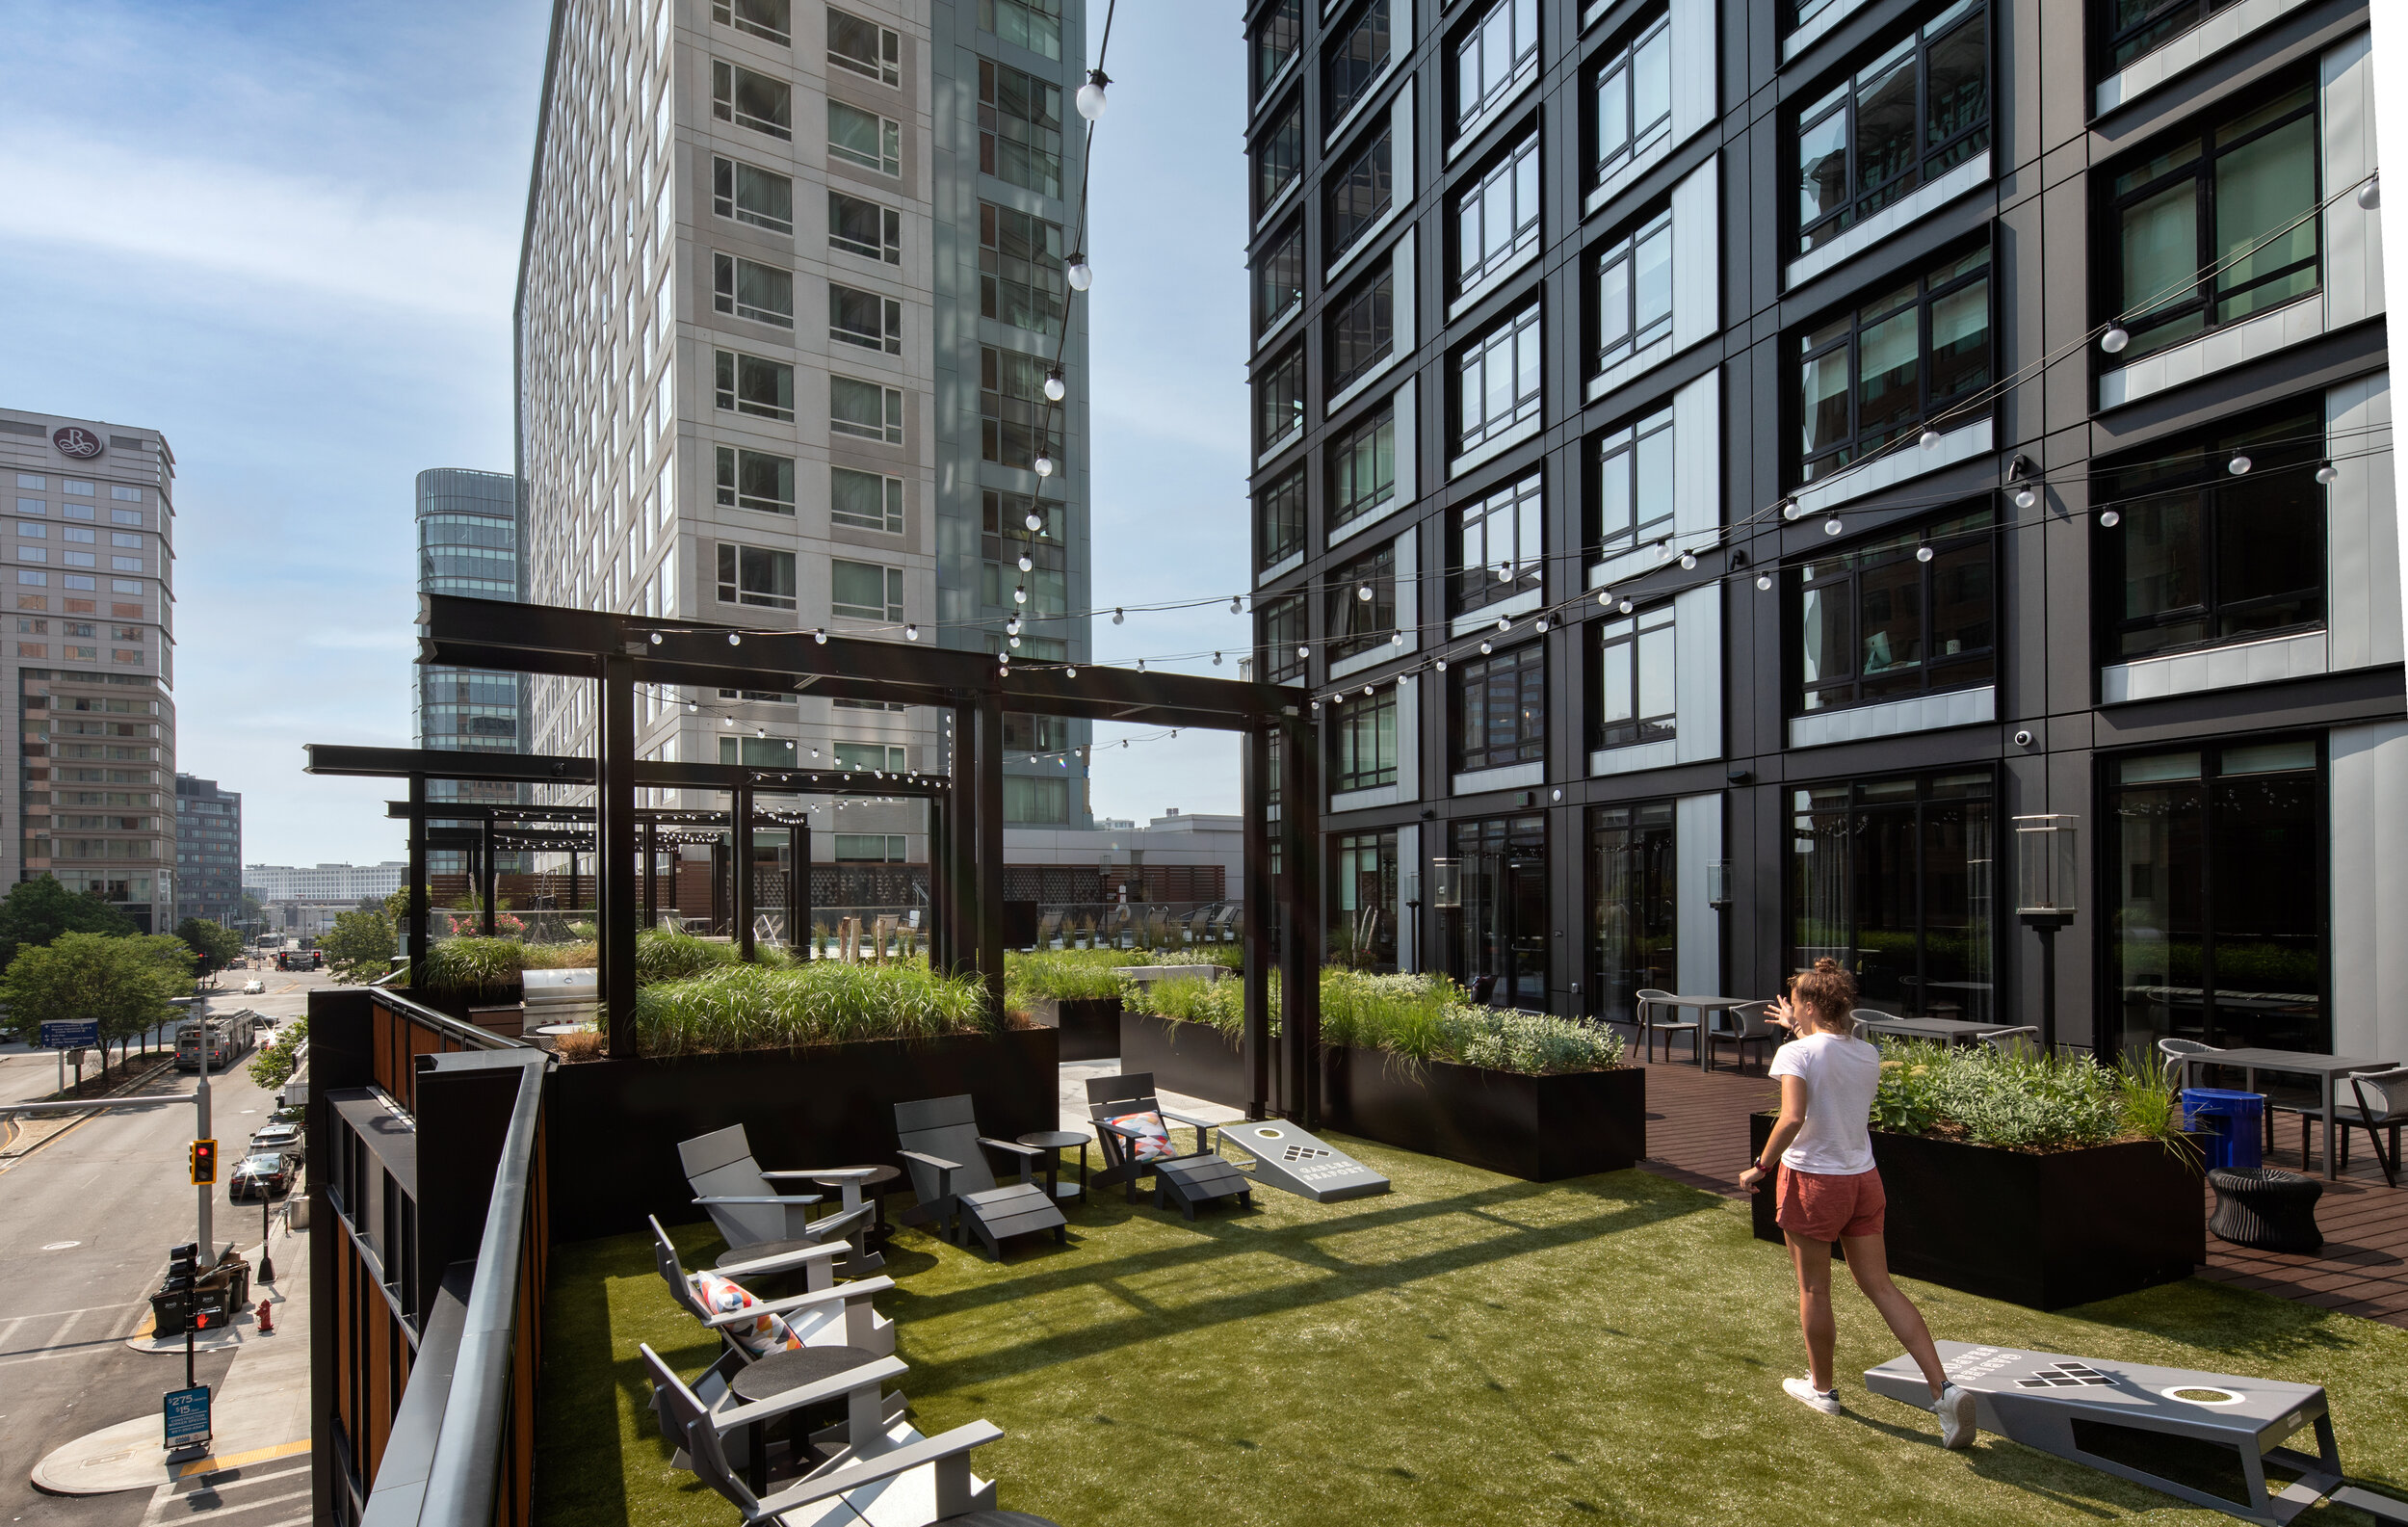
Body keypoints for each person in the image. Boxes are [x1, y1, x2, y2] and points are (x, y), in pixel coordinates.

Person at [1740, 959, 1976, 1446]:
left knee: (1814, 1292)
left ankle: (1822, 1390)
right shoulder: (1867, 1052)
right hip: (1863, 1180)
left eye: (1796, 1006)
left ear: (1805, 1005)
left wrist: (1760, 1166)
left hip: (1813, 1181)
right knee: (1882, 1287)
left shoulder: (1797, 1054)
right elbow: (1828, 1063)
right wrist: (1797, 1031)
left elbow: (1792, 1117)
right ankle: (1944, 1389)